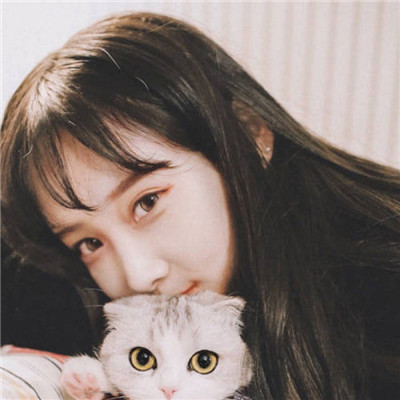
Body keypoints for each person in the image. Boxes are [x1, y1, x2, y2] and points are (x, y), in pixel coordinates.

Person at [1, 12, 399, 400]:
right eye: (90, 243)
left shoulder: (383, 280)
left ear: (248, 133)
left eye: (147, 202)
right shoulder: (65, 285)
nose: (138, 277)